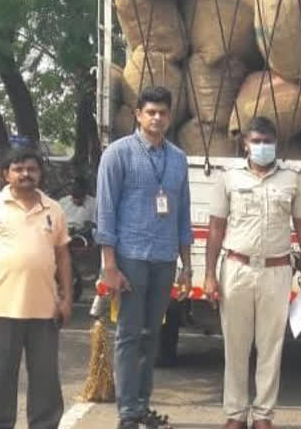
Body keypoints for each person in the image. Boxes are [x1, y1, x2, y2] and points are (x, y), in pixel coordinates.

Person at [203, 116, 301, 429]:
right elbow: (216, 228)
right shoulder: (228, 178)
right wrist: (210, 274)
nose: (262, 147)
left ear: (276, 144)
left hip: (276, 271)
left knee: (271, 346)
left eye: (268, 142)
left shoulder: (292, 178)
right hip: (237, 268)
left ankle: (264, 415)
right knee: (235, 346)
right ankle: (235, 414)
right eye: (256, 141)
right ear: (245, 144)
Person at [95, 86, 193, 429]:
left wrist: (187, 266)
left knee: (153, 334)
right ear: (138, 114)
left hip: (164, 258)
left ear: (170, 116)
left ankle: (142, 405)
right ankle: (127, 412)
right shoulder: (118, 154)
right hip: (130, 257)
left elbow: (182, 214)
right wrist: (109, 264)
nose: (157, 118)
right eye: (150, 112)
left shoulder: (178, 159)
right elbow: (105, 211)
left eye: (163, 112)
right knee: (129, 334)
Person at [0, 147, 73, 429]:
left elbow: (63, 257)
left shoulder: (54, 208)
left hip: (45, 310)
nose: (25, 174)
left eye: (32, 169)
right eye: (18, 169)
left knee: (45, 380)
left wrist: (66, 299)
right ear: (6, 174)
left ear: (40, 173)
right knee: (0, 377)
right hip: (2, 308)